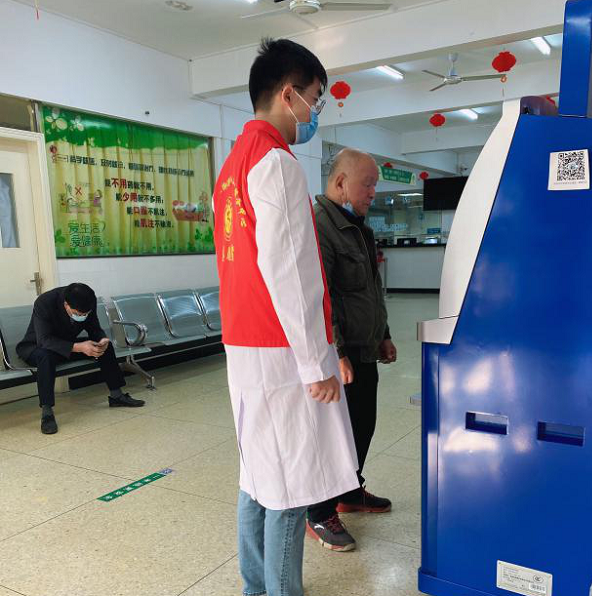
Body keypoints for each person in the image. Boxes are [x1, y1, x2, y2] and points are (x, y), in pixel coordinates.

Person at [212, 39, 359, 596]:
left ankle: (256, 587)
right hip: (279, 349)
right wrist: (316, 362)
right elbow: (292, 273)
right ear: (288, 94)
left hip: (244, 344)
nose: (315, 111)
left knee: (258, 476)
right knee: (292, 484)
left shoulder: (233, 165)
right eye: (315, 98)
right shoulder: (275, 163)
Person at [306, 148, 398, 552]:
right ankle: (319, 512)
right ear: (341, 182)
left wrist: (383, 333)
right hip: (341, 356)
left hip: (364, 347)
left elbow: (371, 288)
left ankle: (349, 491)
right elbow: (319, 296)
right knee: (336, 436)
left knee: (363, 427)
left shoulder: (359, 227)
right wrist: (336, 352)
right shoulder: (319, 225)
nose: (373, 192)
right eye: (368, 184)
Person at [16, 283, 145, 434]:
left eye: (86, 314)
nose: (82, 317)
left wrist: (102, 339)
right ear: (66, 304)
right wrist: (79, 347)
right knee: (45, 356)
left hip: (67, 345)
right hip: (36, 347)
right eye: (78, 313)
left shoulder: (88, 300)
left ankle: (117, 396)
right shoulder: (45, 302)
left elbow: (94, 328)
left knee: (106, 347)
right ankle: (47, 412)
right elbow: (44, 341)